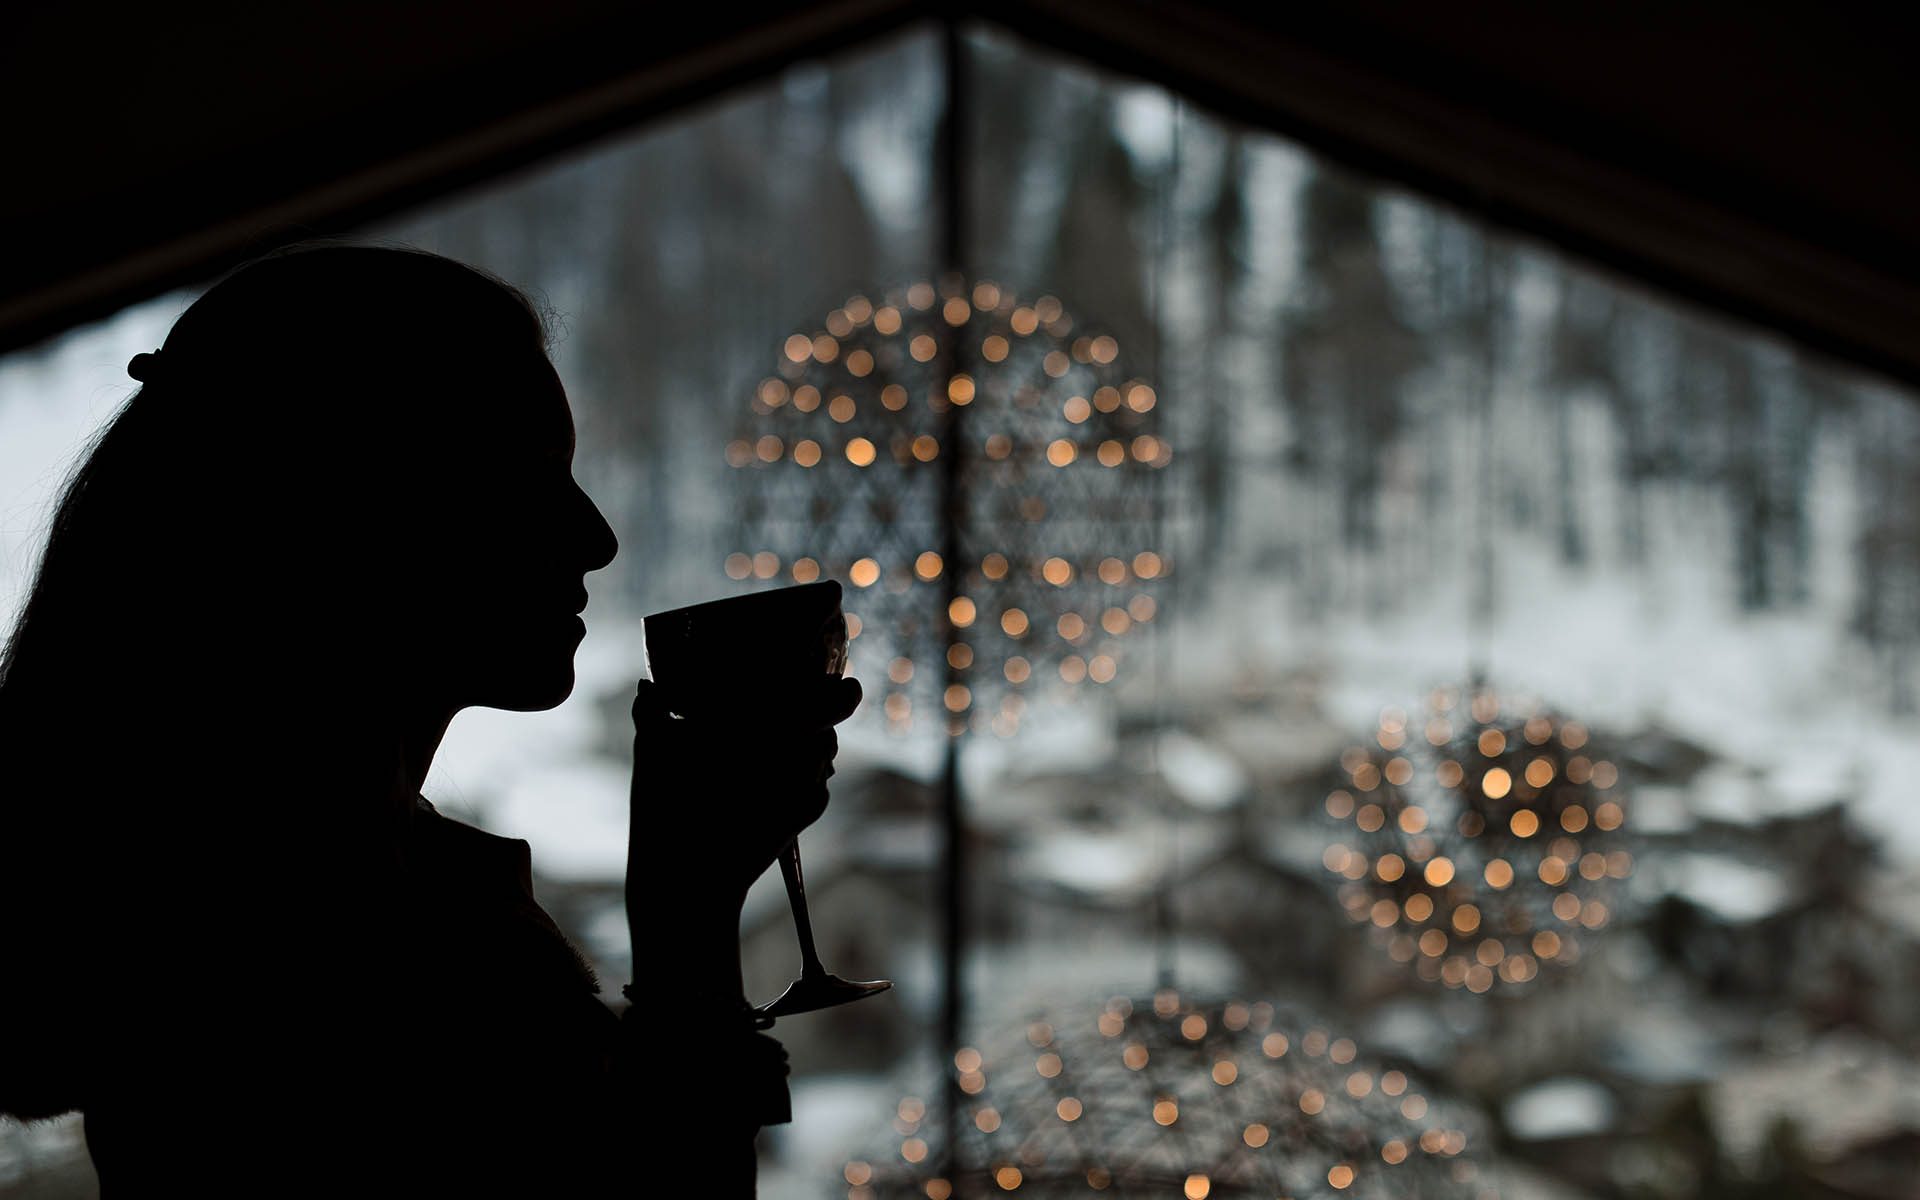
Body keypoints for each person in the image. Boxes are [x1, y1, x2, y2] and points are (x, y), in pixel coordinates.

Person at [0, 242, 860, 1193]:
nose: (598, 537)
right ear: (351, 508)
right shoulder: (299, 975)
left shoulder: (222, 898)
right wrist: (688, 921)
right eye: (530, 477)